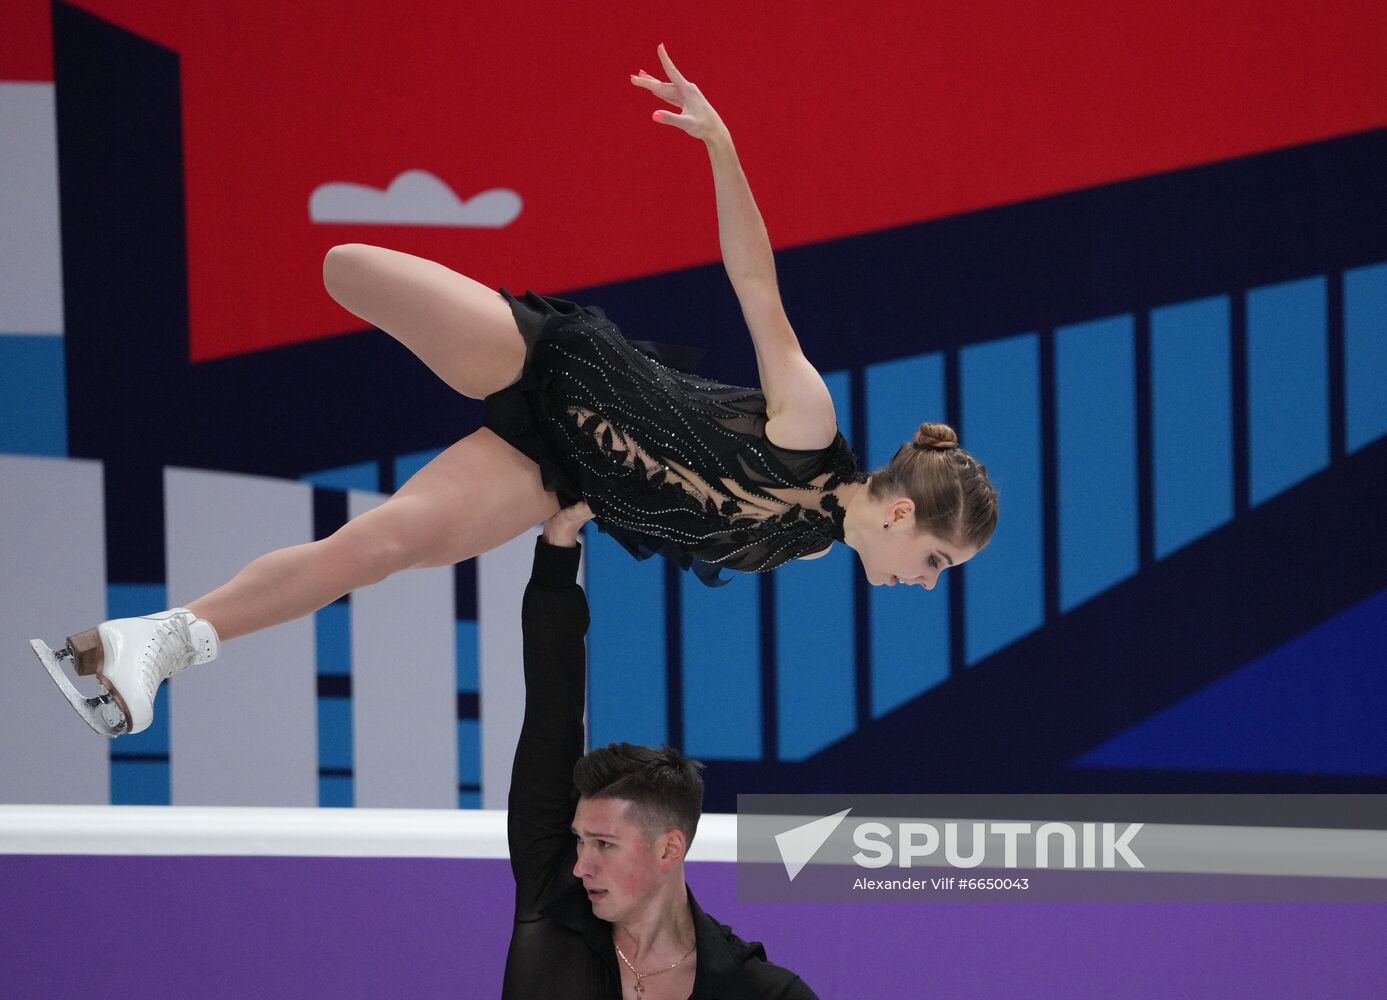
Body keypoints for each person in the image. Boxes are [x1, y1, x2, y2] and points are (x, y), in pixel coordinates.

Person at [31, 44, 997, 738]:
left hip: (546, 469)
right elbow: (756, 285)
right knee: (346, 266)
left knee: (378, 549)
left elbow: (659, 507)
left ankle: (151, 642)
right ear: (902, 508)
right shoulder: (810, 425)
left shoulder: (796, 547)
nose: (925, 584)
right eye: (937, 560)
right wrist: (720, 145)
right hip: (551, 362)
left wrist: (576, 517)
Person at [504, 502, 817, 999]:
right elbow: (551, 716)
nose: (581, 864)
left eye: (604, 844)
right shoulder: (551, 891)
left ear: (670, 847)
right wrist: (559, 543)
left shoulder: (762, 993)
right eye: (580, 840)